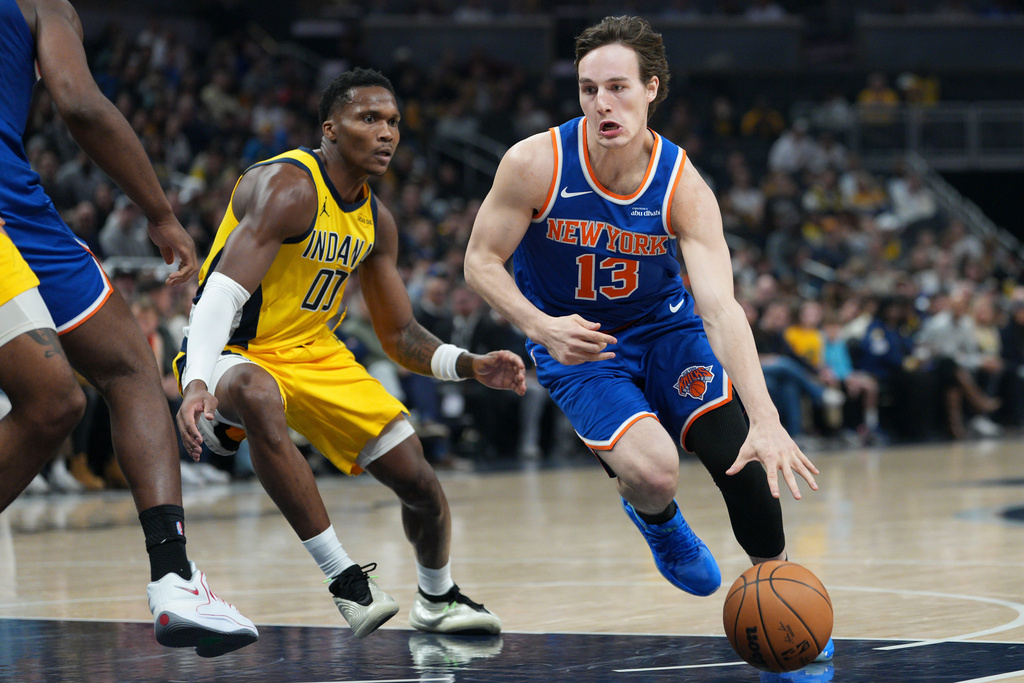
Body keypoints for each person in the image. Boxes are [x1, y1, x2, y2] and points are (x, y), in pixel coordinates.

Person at [464, 15, 832, 663]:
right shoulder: (535, 163)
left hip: (667, 329)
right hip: (579, 341)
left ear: (651, 89)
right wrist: (540, 326)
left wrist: (767, 418)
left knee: (744, 462)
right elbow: (480, 262)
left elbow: (721, 308)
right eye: (588, 89)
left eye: (618, 87)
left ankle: (787, 619)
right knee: (656, 472)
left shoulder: (681, 184)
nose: (602, 103)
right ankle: (657, 520)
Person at [174, 67, 526, 640]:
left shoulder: (376, 222)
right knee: (258, 395)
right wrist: (195, 379)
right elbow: (221, 294)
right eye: (369, 118)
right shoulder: (288, 186)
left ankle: (437, 599)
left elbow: (400, 335)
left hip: (316, 353)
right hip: (235, 348)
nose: (387, 133)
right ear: (330, 129)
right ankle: (345, 580)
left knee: (418, 479)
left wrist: (469, 364)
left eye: (393, 122)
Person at [0, 0, 257, 656]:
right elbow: (79, 102)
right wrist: (160, 211)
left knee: (110, 374)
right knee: (72, 393)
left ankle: (174, 574)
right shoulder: (44, 6)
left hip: (12, 200)